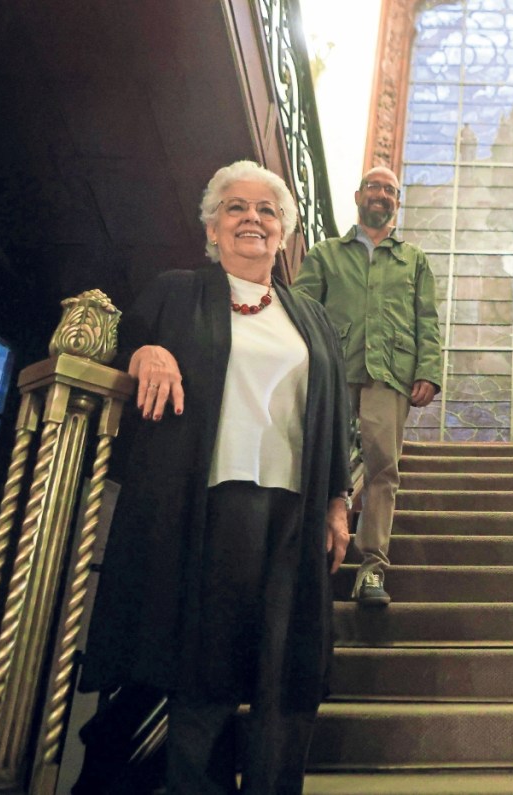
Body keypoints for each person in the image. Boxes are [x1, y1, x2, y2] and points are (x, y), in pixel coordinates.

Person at [80, 160, 353, 794]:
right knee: (203, 665)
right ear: (212, 227)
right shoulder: (176, 291)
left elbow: (334, 412)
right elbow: (126, 345)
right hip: (204, 507)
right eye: (235, 208)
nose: (251, 219)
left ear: (283, 232)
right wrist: (144, 351)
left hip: (294, 509)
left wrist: (338, 502)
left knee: (285, 667)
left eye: (265, 210)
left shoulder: (309, 316)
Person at [294, 166, 442, 607]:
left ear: (397, 202)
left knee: (382, 468)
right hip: (333, 372)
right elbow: (302, 311)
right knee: (320, 461)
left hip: (390, 373)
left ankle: (372, 570)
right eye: (374, 187)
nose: (381, 194)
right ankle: (308, 556)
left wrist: (429, 370)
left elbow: (427, 320)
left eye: (390, 190)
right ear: (358, 195)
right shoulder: (325, 255)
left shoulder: (413, 259)